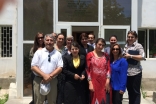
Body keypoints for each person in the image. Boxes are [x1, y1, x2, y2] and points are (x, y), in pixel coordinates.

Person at [31, 34, 63, 104]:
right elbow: (33, 66)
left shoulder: (58, 54)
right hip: (39, 80)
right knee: (38, 101)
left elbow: (60, 67)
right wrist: (44, 76)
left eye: (51, 40)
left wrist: (50, 76)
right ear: (44, 42)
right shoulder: (39, 52)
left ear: (54, 42)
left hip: (52, 80)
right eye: (47, 40)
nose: (49, 42)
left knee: (52, 101)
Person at [86, 38, 112, 104]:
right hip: (94, 82)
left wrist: (108, 81)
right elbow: (87, 70)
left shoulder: (106, 56)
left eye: (102, 45)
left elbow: (108, 69)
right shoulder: (89, 55)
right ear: (95, 44)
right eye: (99, 44)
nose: (101, 46)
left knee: (105, 100)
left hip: (104, 82)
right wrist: (90, 83)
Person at [123, 30, 145, 104]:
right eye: (128, 37)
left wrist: (131, 56)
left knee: (135, 92)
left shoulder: (138, 46)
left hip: (136, 72)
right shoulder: (126, 46)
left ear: (135, 38)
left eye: (132, 37)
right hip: (127, 73)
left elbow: (142, 57)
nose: (130, 38)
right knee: (130, 91)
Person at [29, 32, 45, 104]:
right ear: (36, 39)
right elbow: (33, 64)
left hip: (46, 75)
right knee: (36, 94)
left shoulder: (47, 48)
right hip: (36, 75)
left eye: (42, 37)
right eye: (39, 38)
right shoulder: (33, 49)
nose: (40, 39)